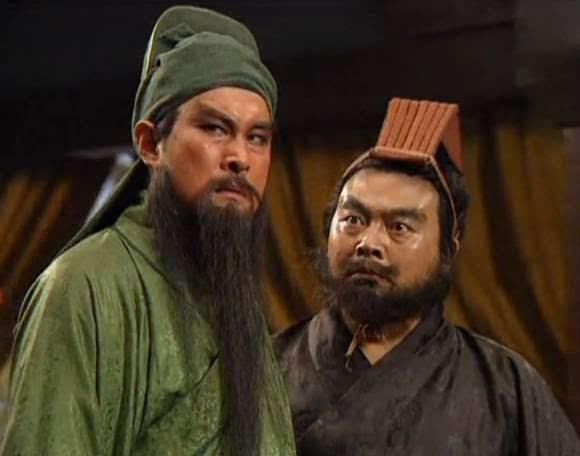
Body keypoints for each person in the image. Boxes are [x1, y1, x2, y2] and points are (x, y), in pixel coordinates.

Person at [1, 6, 296, 455]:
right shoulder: (83, 286)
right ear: (150, 144)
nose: (240, 157)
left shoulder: (234, 296)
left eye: (257, 137)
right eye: (215, 128)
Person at [275, 98, 580, 455]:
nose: (369, 243)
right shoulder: (266, 366)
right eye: (353, 220)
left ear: (448, 248)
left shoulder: (505, 387)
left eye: (399, 227)